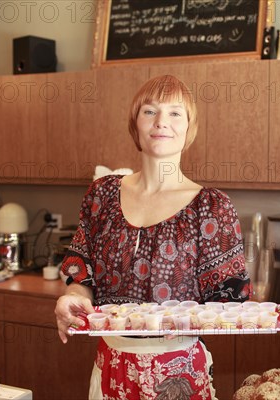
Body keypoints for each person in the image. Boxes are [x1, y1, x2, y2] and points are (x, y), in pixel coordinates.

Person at [54, 74, 251, 400]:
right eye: (150, 111)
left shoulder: (211, 207)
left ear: (189, 127)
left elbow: (231, 300)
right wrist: (70, 298)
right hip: (111, 366)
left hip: (180, 374)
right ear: (135, 124)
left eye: (175, 113)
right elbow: (80, 271)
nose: (162, 122)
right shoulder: (101, 195)